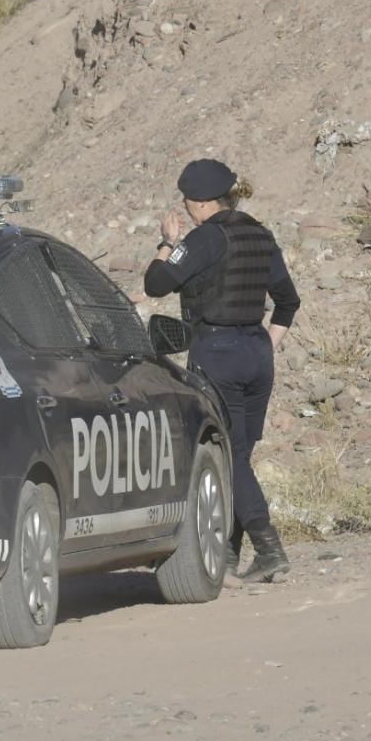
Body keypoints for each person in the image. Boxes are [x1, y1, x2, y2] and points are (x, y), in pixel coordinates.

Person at [142, 159, 301, 583]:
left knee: (229, 455)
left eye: (186, 202)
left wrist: (166, 243)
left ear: (200, 203)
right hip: (256, 352)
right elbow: (288, 301)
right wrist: (266, 344)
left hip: (218, 352)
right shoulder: (259, 234)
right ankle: (228, 557)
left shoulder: (205, 239)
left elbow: (156, 284)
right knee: (240, 456)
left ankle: (269, 548)